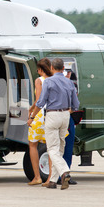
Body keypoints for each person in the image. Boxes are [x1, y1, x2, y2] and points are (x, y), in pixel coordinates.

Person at [28, 58, 80, 190]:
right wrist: (69, 110)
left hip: (52, 115)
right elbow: (76, 104)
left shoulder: (48, 82)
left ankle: (64, 171)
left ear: (51, 68)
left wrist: (32, 116)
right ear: (63, 69)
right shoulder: (69, 83)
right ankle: (52, 180)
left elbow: (40, 102)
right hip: (65, 115)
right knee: (60, 147)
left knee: (52, 148)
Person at [26, 58, 52, 185]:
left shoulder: (39, 80)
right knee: (51, 147)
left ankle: (37, 176)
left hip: (40, 115)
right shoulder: (54, 80)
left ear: (41, 69)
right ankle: (50, 178)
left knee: (32, 144)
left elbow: (39, 100)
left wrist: (30, 112)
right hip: (51, 115)